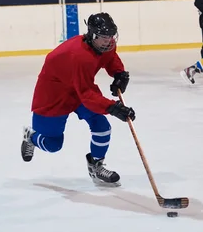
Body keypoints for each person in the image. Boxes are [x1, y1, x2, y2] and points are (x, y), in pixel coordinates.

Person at [20, 12, 136, 186]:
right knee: (53, 145)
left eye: (111, 36)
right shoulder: (78, 56)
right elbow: (87, 95)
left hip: (78, 89)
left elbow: (110, 58)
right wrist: (112, 107)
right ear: (93, 35)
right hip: (54, 94)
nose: (109, 41)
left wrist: (119, 73)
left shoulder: (105, 44)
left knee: (102, 126)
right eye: (104, 37)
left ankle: (96, 166)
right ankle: (31, 137)